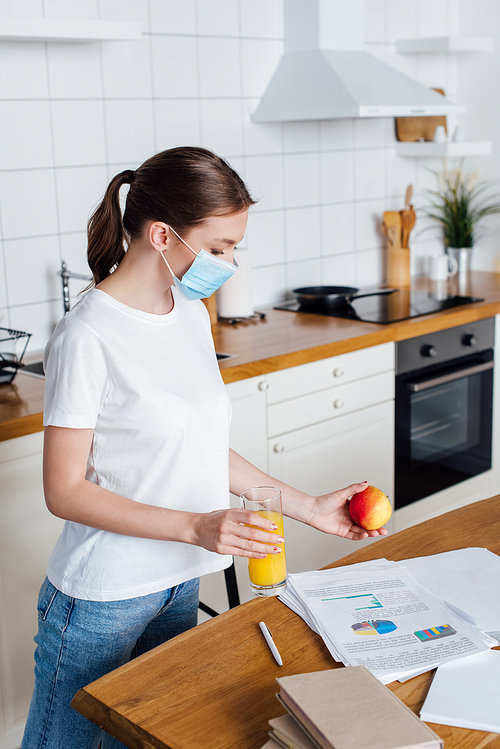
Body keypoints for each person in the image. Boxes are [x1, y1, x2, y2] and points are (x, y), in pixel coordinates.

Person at [21, 146, 387, 749]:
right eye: (219, 248)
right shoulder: (87, 336)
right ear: (162, 235)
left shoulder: (189, 312)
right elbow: (63, 492)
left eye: (234, 248)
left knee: (147, 739)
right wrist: (197, 526)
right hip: (101, 599)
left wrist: (309, 507)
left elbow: (199, 446)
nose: (230, 263)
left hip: (180, 583)